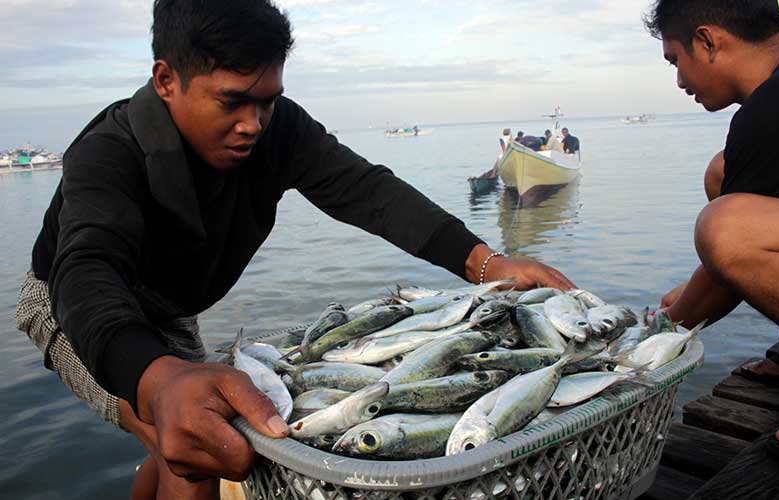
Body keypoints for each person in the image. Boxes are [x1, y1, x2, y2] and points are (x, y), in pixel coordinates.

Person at [15, 1, 575, 498]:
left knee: (179, 446)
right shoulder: (107, 154)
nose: (252, 124)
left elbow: (368, 192)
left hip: (167, 310)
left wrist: (487, 262)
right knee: (196, 444)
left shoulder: (279, 129)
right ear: (166, 79)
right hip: (73, 305)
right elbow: (88, 269)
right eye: (232, 101)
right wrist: (159, 380)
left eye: (267, 101)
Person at [644, 0, 779, 481]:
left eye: (675, 60)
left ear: (708, 41)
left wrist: (662, 330)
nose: (678, 81)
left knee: (725, 225)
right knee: (725, 174)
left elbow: (734, 255)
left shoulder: (775, 107)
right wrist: (691, 296)